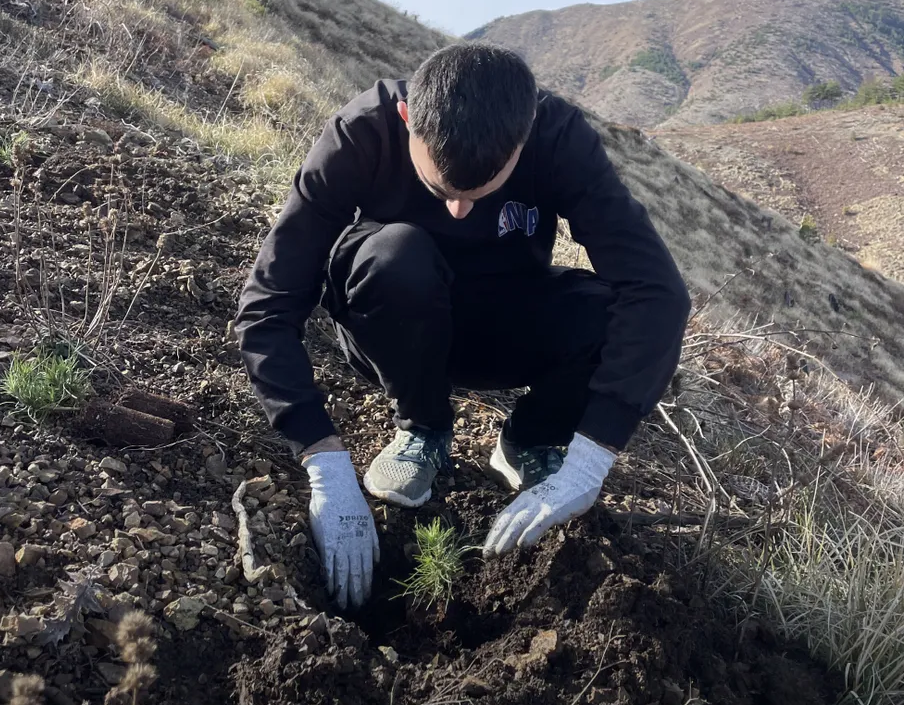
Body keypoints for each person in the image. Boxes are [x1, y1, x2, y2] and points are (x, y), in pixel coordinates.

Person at [236, 43, 690, 610]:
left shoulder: (558, 137)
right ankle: (422, 427)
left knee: (604, 309)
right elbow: (268, 302)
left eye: (481, 195)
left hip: (505, 321)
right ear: (407, 119)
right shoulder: (363, 131)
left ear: (524, 138)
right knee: (397, 252)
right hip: (396, 323)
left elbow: (657, 292)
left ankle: (527, 439)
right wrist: (322, 461)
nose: (457, 213)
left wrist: (590, 461)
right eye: (438, 190)